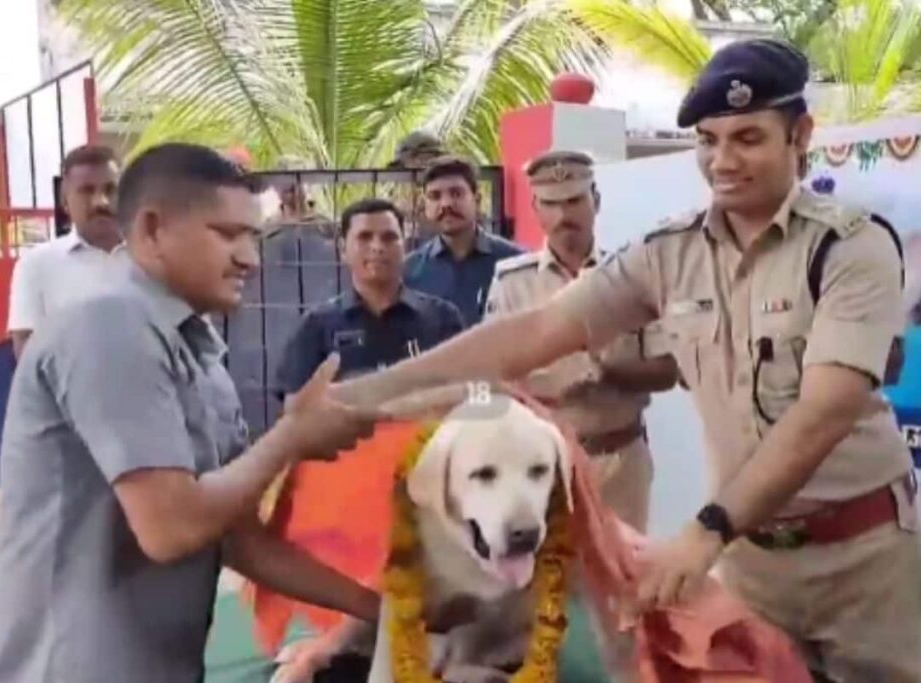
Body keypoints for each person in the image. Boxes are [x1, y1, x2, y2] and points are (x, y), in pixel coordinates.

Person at [330, 38, 921, 682]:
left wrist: (703, 534)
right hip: (752, 563)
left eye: (748, 138)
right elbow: (533, 332)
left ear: (800, 135)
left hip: (859, 562)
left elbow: (824, 411)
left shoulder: (851, 248)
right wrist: (365, 396)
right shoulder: (668, 253)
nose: (723, 161)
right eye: (708, 140)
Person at [0, 143, 380, 682]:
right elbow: (170, 527)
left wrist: (381, 606)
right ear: (152, 230)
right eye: (227, 234)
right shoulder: (108, 326)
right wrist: (290, 437)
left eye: (252, 236)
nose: (250, 257)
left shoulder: (199, 354)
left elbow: (240, 538)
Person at [484, 150, 677, 532]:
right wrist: (552, 386)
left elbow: (668, 372)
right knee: (551, 580)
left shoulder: (632, 275)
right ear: (535, 208)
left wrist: (606, 371)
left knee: (625, 579)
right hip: (543, 463)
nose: (563, 216)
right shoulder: (511, 282)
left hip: (621, 458)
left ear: (597, 201)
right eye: (551, 204)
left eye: (574, 201)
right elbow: (495, 379)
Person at [277, 197, 465, 393]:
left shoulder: (443, 318)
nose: (377, 247)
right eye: (364, 237)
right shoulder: (317, 326)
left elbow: (466, 394)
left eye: (389, 237)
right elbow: (295, 408)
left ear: (406, 246)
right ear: (343, 249)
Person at [7, 145, 123, 359]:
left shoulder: (154, 260)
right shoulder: (36, 265)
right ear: (65, 202)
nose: (101, 201)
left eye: (110, 189)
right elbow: (26, 353)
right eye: (86, 191)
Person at [403, 155, 523, 326]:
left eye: (456, 193)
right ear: (425, 206)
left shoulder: (514, 263)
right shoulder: (409, 272)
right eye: (435, 196)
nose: (445, 204)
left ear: (477, 199)